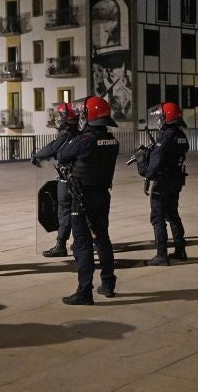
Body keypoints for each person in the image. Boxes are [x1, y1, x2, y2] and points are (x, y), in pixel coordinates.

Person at [56, 96, 120, 305]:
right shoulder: (112, 140)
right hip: (103, 195)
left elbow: (63, 154)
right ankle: (108, 284)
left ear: (89, 116)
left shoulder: (84, 140)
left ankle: (84, 291)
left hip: (82, 198)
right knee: (102, 239)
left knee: (82, 244)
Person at [142, 102, 189, 266]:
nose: (159, 120)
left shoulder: (166, 137)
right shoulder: (181, 135)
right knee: (173, 215)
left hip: (162, 182)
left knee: (157, 218)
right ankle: (180, 250)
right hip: (175, 181)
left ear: (166, 117)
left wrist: (147, 176)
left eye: (160, 117)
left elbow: (156, 161)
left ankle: (161, 255)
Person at [32, 102, 80, 257]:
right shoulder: (78, 133)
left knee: (64, 212)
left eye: (60, 116)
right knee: (77, 212)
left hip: (66, 179)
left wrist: (37, 155)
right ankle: (81, 241)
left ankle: (61, 244)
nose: (58, 119)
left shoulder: (65, 134)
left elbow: (52, 148)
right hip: (78, 179)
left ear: (66, 118)